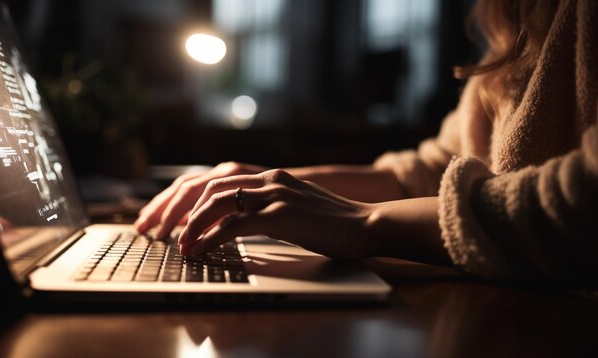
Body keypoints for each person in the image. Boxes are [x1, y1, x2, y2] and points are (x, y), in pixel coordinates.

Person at [135, 0, 598, 287]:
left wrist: (363, 222)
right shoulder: (513, 15)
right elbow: (430, 172)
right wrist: (264, 186)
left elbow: (583, 199)